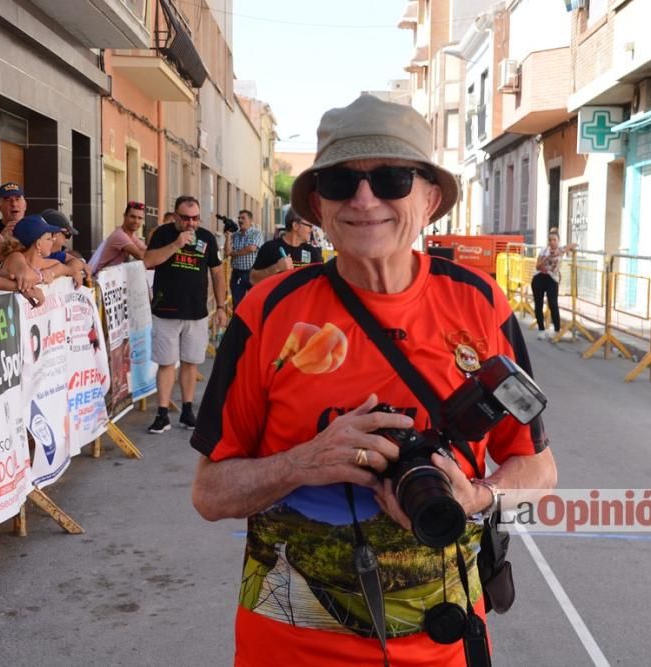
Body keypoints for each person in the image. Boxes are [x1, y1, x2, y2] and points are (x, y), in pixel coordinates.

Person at [189, 95, 556, 666]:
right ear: (317, 204)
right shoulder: (267, 312)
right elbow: (209, 494)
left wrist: (479, 495)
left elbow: (538, 469)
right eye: (341, 182)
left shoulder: (480, 304)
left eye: (392, 178)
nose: (365, 200)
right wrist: (303, 463)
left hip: (444, 640)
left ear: (430, 199)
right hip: (287, 649)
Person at [142, 195, 227, 434]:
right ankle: (162, 414)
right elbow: (148, 261)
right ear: (176, 216)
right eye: (186, 218)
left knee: (191, 363)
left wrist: (221, 307)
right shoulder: (163, 234)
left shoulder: (207, 238)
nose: (191, 223)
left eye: (195, 218)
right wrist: (176, 245)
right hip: (166, 310)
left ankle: (188, 411)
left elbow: (218, 273)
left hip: (196, 311)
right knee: (166, 363)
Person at [1, 215, 83, 289]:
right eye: (49, 239)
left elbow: (61, 267)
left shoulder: (40, 262)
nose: (52, 241)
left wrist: (52, 273)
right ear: (38, 244)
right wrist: (42, 276)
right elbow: (27, 276)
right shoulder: (15, 257)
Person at [249, 205, 323, 285]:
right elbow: (252, 279)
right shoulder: (269, 248)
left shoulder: (312, 252)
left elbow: (321, 282)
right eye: (309, 226)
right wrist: (277, 267)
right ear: (295, 226)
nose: (311, 229)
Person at [532, 229, 575, 341]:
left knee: (553, 303)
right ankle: (541, 330)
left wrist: (566, 249)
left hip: (552, 279)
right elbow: (537, 266)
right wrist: (546, 259)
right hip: (539, 277)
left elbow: (572, 245)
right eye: (550, 240)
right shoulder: (544, 251)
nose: (552, 242)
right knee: (538, 304)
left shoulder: (561, 250)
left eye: (554, 240)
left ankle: (557, 329)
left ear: (558, 241)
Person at [89, 201, 147, 273]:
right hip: (102, 279)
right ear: (124, 216)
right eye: (132, 217)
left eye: (140, 218)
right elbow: (141, 256)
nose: (136, 221)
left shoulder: (132, 236)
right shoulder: (119, 235)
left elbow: (146, 250)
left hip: (114, 277)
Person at [41, 208, 90, 284]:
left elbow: (78, 262)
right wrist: (63, 270)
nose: (67, 240)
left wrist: (68, 271)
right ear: (54, 233)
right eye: (67, 235)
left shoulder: (56, 254)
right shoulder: (35, 253)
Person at [224, 209, 262, 306]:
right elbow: (227, 252)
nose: (240, 220)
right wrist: (228, 236)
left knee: (256, 302)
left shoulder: (256, 233)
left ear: (250, 220)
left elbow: (251, 248)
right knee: (237, 304)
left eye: (243, 218)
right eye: (239, 218)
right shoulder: (235, 235)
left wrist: (234, 253)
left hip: (252, 273)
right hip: (237, 273)